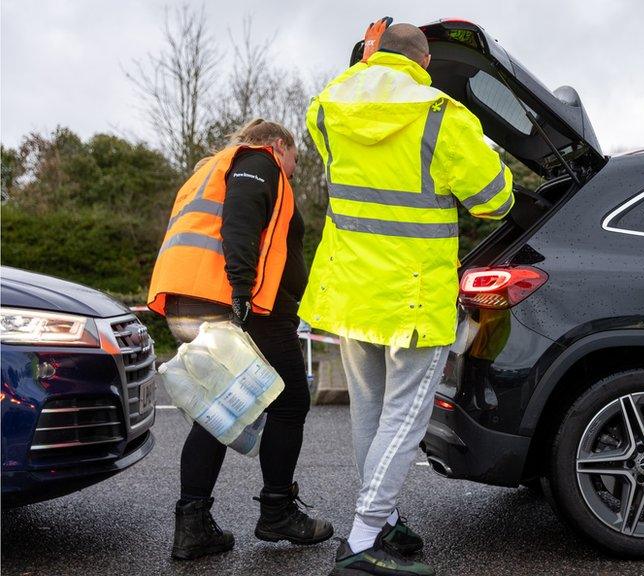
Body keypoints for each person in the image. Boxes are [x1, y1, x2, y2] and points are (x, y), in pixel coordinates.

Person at [301, 21, 514, 576]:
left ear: (374, 56)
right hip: (413, 299)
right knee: (404, 420)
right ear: (422, 63)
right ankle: (364, 537)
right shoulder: (441, 116)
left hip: (350, 292)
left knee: (370, 415)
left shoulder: (326, 107)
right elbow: (494, 200)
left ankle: (384, 519)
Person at [148, 119, 334, 560]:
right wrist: (241, 290)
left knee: (217, 411)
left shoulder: (210, 170)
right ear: (278, 145)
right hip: (238, 303)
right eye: (293, 159)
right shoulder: (258, 161)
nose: (291, 170)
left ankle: (193, 525)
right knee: (290, 401)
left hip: (189, 300)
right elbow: (242, 219)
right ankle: (277, 512)